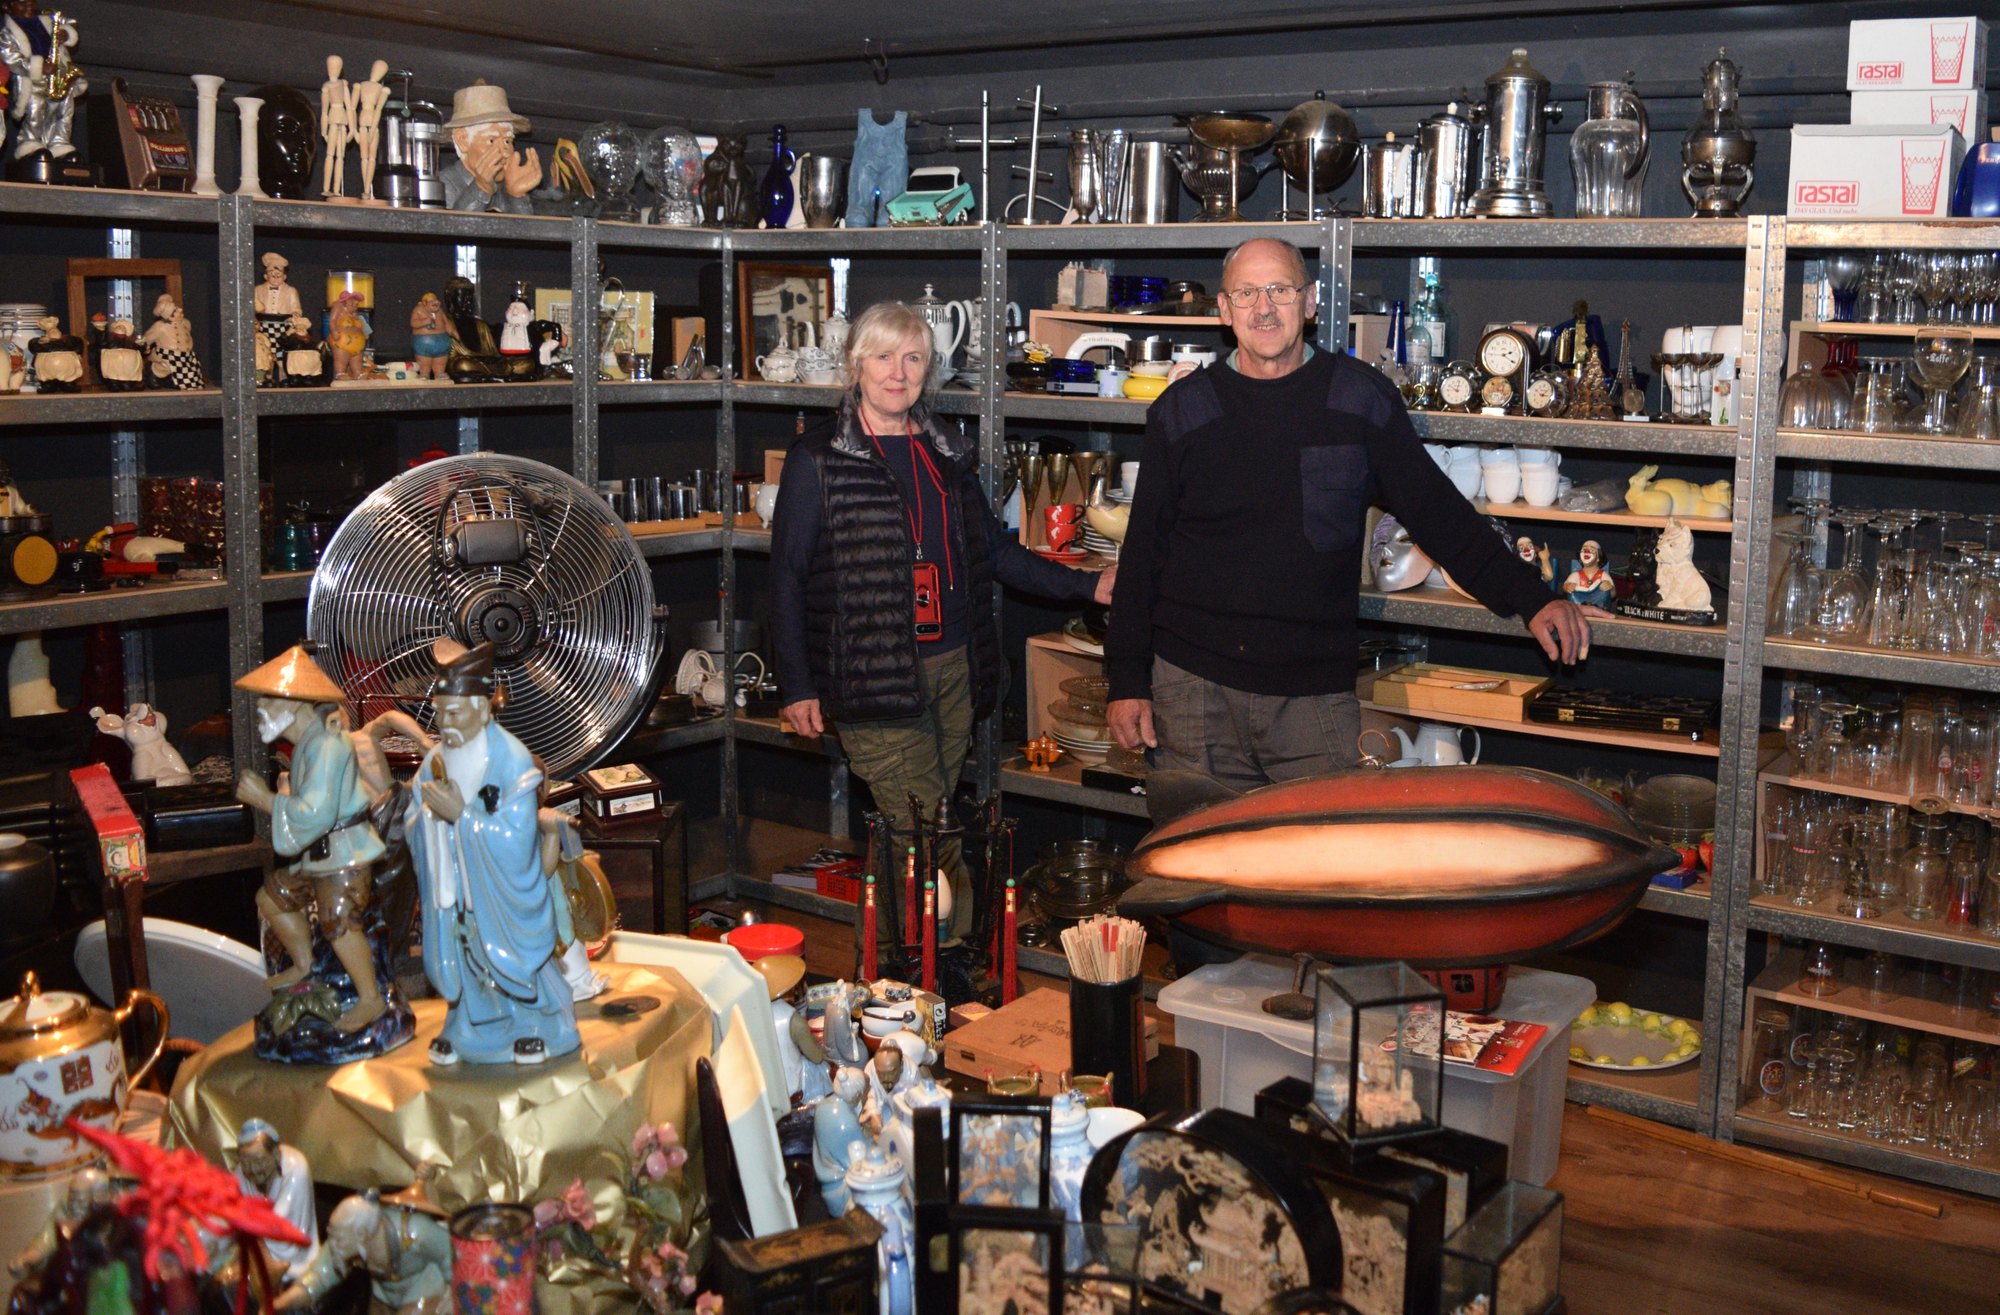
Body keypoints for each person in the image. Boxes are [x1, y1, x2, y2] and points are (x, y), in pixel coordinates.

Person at [1105, 238, 1593, 799]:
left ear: (1310, 301)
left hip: (1311, 704)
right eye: (1246, 293)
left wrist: (1533, 598)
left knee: (1321, 854)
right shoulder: (1182, 410)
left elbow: (1438, 514)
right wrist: (1126, 680)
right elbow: (1141, 557)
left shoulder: (1359, 399)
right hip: (1192, 695)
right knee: (1195, 853)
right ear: (1223, 310)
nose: (1264, 308)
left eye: (1280, 290)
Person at [770, 301, 1113, 942]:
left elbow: (996, 553)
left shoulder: (945, 451)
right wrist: (797, 685)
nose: (897, 373)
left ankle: (889, 970)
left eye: (913, 359)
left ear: (928, 369)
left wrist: (1090, 584)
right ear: (855, 365)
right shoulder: (817, 460)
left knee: (913, 831)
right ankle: (949, 966)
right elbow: (786, 577)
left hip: (955, 669)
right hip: (873, 680)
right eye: (883, 357)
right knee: (926, 833)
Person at [406, 640, 578, 1066]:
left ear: (483, 710)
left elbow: (517, 839)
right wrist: (428, 820)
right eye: (439, 713)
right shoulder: (434, 761)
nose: (444, 723)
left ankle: (542, 1026)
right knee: (467, 959)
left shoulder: (512, 761)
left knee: (517, 962)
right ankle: (466, 1029)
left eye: (454, 713)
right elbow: (413, 817)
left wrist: (462, 817)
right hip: (457, 890)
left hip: (502, 896)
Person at [234, 644, 397, 1041]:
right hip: (318, 854)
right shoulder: (309, 741)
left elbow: (316, 813)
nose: (259, 712)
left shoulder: (326, 745)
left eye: (267, 703)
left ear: (294, 704)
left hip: (344, 853)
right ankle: (305, 963)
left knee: (339, 922)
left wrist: (265, 799)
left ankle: (371, 999)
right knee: (272, 898)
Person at [277, 1193, 449, 1315]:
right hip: (383, 1294)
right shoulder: (344, 1239)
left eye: (338, 1240)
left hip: (423, 1288)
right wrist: (279, 1304)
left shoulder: (415, 1233)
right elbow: (317, 1279)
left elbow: (454, 1257)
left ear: (361, 1234)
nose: (332, 1245)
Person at [231, 1120, 318, 1283]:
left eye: (259, 1161)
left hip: (287, 1251)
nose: (253, 1169)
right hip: (255, 1243)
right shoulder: (241, 1173)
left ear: (276, 1155)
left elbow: (281, 1220)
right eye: (246, 1163)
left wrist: (249, 1227)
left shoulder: (296, 1168)